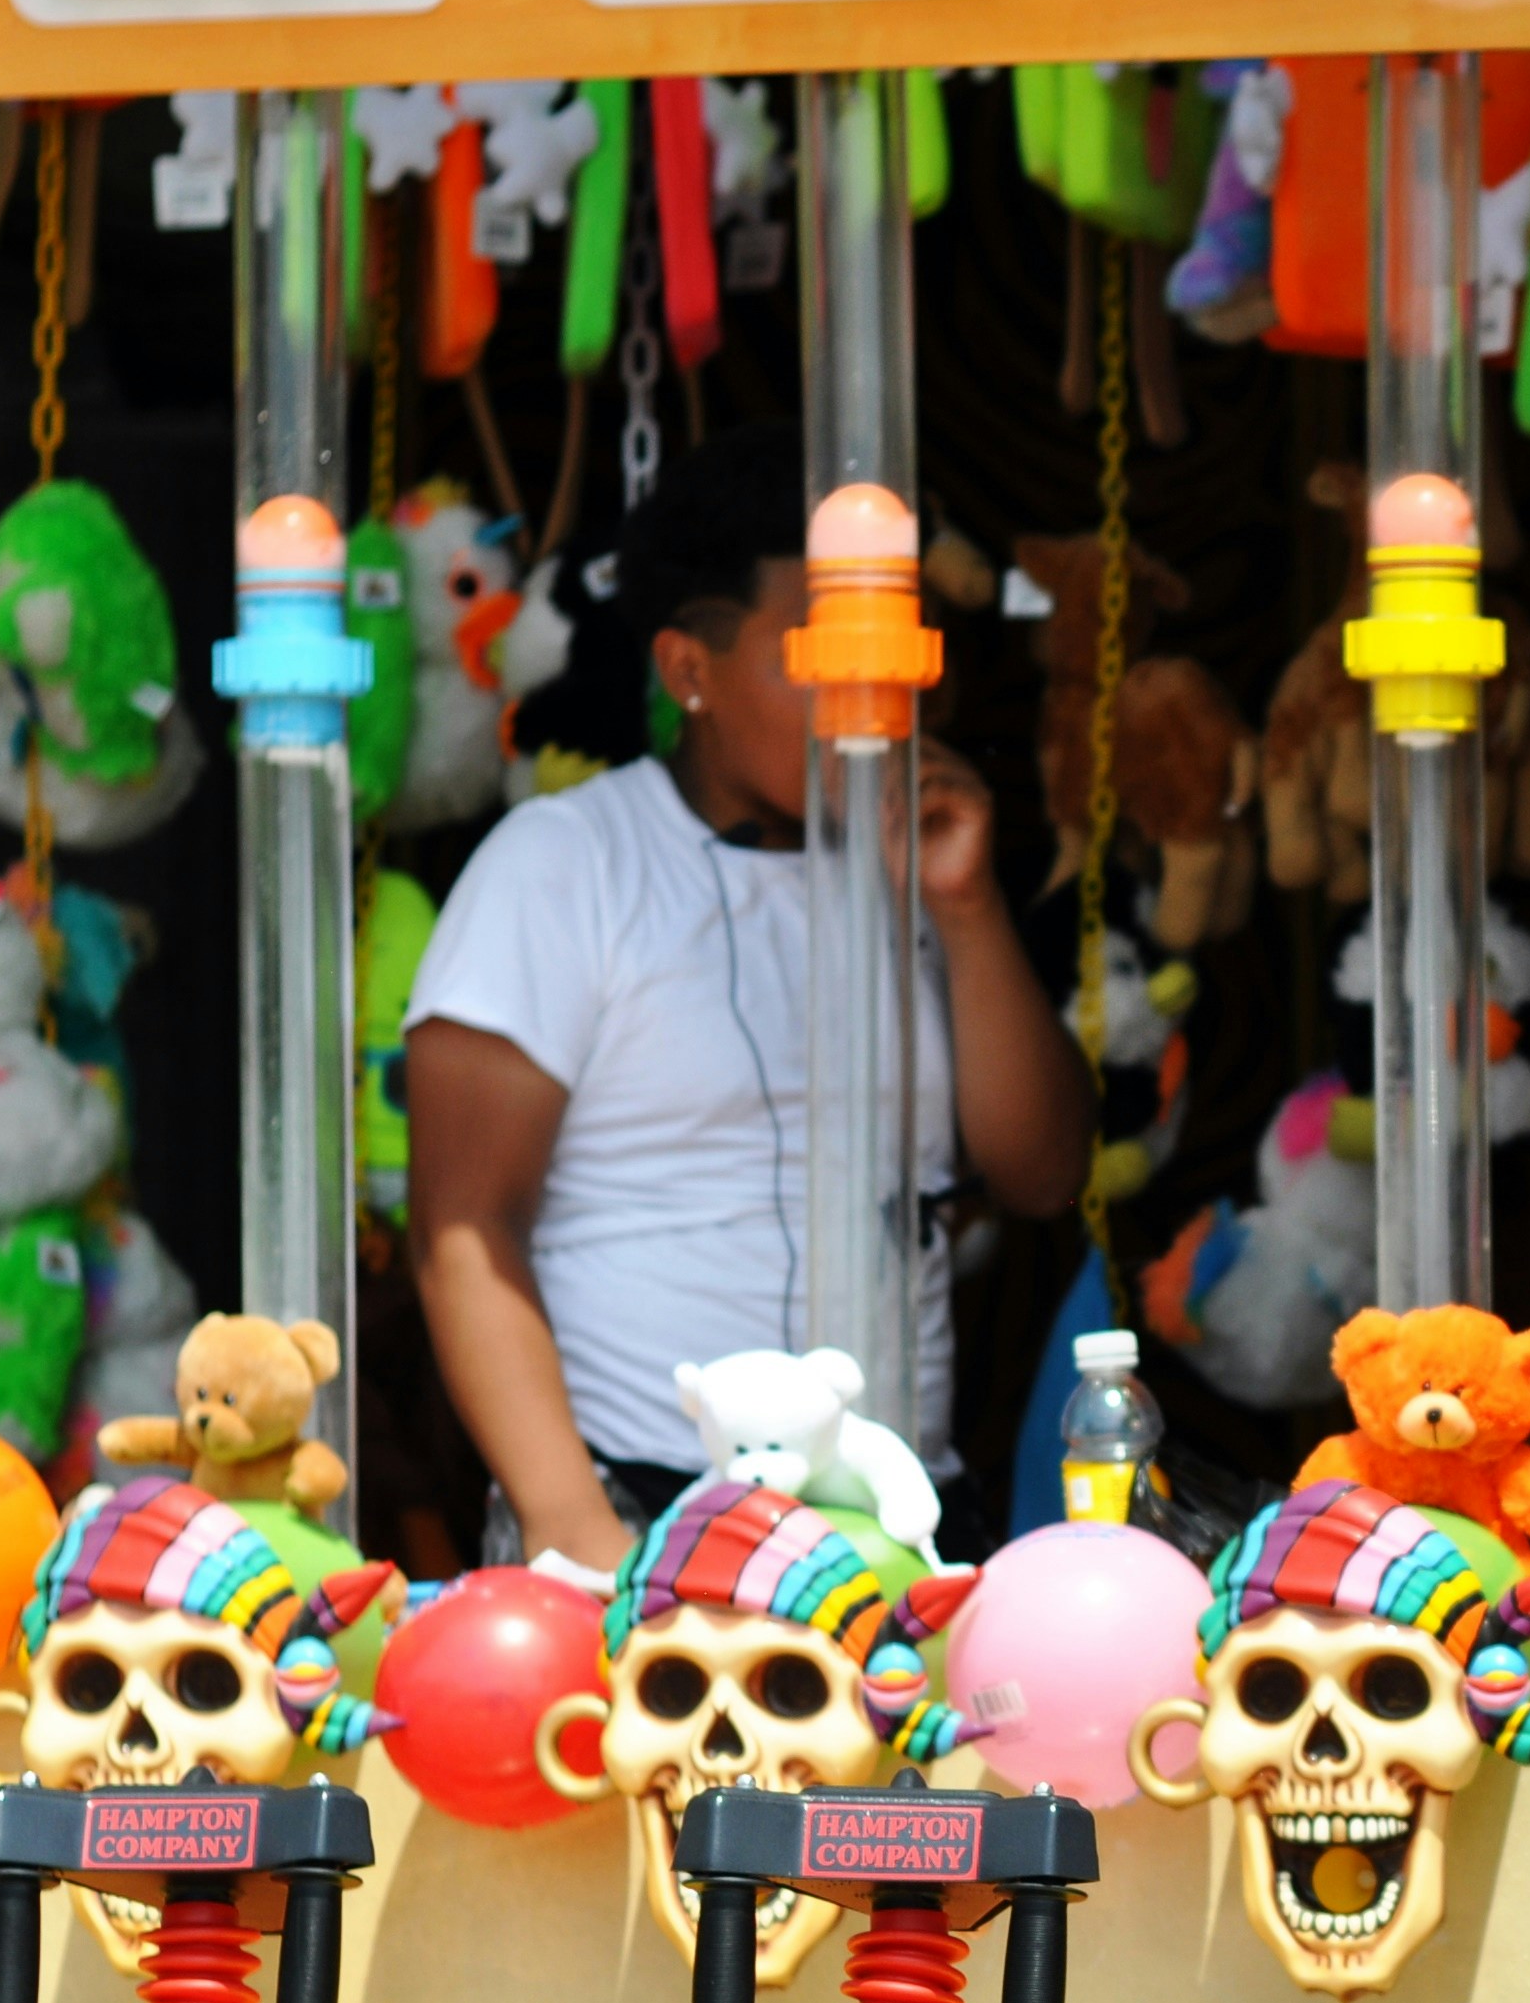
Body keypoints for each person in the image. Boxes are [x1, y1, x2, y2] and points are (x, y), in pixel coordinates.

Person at [406, 426, 1090, 1573]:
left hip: (902, 1508)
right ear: (689, 671)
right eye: (818, 650)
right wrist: (577, 1527)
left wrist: (967, 911)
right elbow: (462, 1229)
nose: (865, 693)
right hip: (643, 1503)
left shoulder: (916, 856)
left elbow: (1041, 1174)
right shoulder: (567, 861)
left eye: (890, 647)